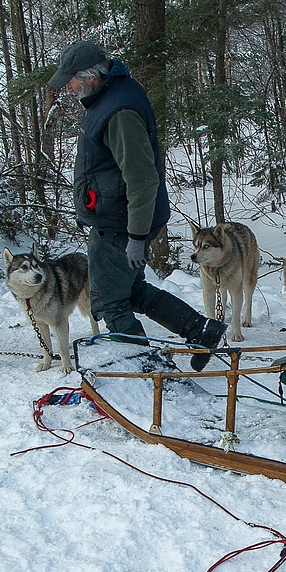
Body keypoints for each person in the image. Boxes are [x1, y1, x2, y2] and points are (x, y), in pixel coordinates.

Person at [48, 40, 226, 370]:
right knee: (132, 291)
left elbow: (142, 178)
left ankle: (154, 375)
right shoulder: (110, 97)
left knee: (110, 302)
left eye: (70, 79)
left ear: (89, 76)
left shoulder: (119, 111)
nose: (68, 87)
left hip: (121, 225)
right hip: (118, 219)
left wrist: (136, 236)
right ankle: (201, 330)